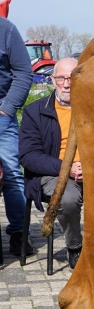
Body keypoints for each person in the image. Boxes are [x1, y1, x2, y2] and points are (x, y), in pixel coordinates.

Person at [19, 57, 82, 268]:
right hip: (54, 173)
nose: (66, 84)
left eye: (72, 78)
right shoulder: (35, 112)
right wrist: (66, 168)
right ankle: (75, 247)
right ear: (53, 80)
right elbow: (28, 155)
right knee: (68, 198)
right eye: (61, 78)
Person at [0, 16, 33, 260]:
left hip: (1, 114)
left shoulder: (6, 29)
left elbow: (23, 72)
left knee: (11, 172)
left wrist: (7, 108)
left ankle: (19, 233)